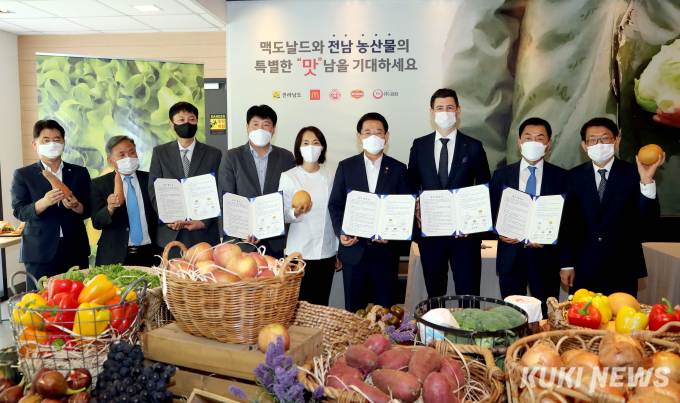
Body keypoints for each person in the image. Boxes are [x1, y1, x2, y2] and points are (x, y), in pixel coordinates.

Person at [562, 117, 663, 296]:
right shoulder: (573, 177)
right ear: (584, 146)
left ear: (616, 141)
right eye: (592, 139)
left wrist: (647, 181)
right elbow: (569, 224)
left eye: (605, 138)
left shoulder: (634, 173)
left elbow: (648, 222)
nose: (599, 143)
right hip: (584, 268)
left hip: (622, 268)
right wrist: (567, 264)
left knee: (621, 322)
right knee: (582, 322)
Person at [407, 88, 491, 299]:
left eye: (450, 108)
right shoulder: (419, 145)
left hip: (464, 235)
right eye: (440, 108)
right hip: (431, 233)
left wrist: (472, 222)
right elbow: (410, 184)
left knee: (468, 293)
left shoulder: (473, 147)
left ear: (458, 110)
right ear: (432, 113)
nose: (445, 113)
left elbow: (484, 187)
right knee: (435, 294)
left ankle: (469, 332)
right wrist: (416, 204)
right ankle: (435, 331)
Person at [328, 112, 410, 312]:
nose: (373, 136)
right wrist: (341, 233)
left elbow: (404, 209)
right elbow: (336, 205)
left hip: (385, 254)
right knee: (354, 313)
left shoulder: (399, 169)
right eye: (368, 132)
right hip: (354, 252)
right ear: (359, 137)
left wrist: (392, 234)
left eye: (378, 132)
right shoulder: (346, 167)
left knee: (386, 315)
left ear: (386, 136)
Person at [490, 118, 571, 317]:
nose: (533, 142)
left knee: (545, 316)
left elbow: (567, 221)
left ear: (548, 144)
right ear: (519, 142)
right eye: (528, 137)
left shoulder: (562, 177)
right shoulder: (501, 175)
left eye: (539, 138)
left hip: (546, 260)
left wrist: (550, 238)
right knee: (511, 316)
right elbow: (491, 213)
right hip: (511, 256)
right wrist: (499, 232)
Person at [11, 120, 91, 289]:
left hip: (75, 250)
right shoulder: (23, 174)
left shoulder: (79, 172)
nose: (52, 143)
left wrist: (76, 205)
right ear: (35, 144)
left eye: (57, 139)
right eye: (46, 140)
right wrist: (44, 202)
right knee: (40, 304)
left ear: (63, 142)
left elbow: (89, 209)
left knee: (78, 304)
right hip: (39, 252)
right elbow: (19, 212)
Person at [218, 104, 294, 259]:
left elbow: (288, 197)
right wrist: (241, 231)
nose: (261, 129)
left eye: (266, 125)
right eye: (255, 125)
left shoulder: (286, 157)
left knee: (274, 282)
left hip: (275, 240)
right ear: (247, 127)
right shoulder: (232, 157)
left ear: (273, 130)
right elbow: (226, 198)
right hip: (241, 241)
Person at [148, 102, 222, 257]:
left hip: (203, 235)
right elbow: (153, 190)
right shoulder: (160, 153)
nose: (187, 123)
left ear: (197, 122)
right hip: (170, 235)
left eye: (191, 119)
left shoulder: (213, 154)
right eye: (181, 120)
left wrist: (204, 222)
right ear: (172, 124)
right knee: (172, 279)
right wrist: (167, 217)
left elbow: (220, 190)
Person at [278, 127, 340, 305]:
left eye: (315, 142)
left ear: (322, 148)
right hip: (298, 252)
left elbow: (335, 214)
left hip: (326, 252)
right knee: (298, 307)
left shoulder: (331, 175)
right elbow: (282, 213)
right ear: (299, 147)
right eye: (306, 143)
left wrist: (338, 249)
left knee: (320, 305)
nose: (310, 146)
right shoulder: (289, 176)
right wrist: (296, 212)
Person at [91, 136, 157, 267]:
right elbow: (97, 222)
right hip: (114, 256)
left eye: (132, 152)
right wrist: (109, 208)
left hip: (149, 254)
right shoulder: (99, 184)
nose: (128, 158)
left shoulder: (150, 180)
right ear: (111, 161)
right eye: (121, 155)